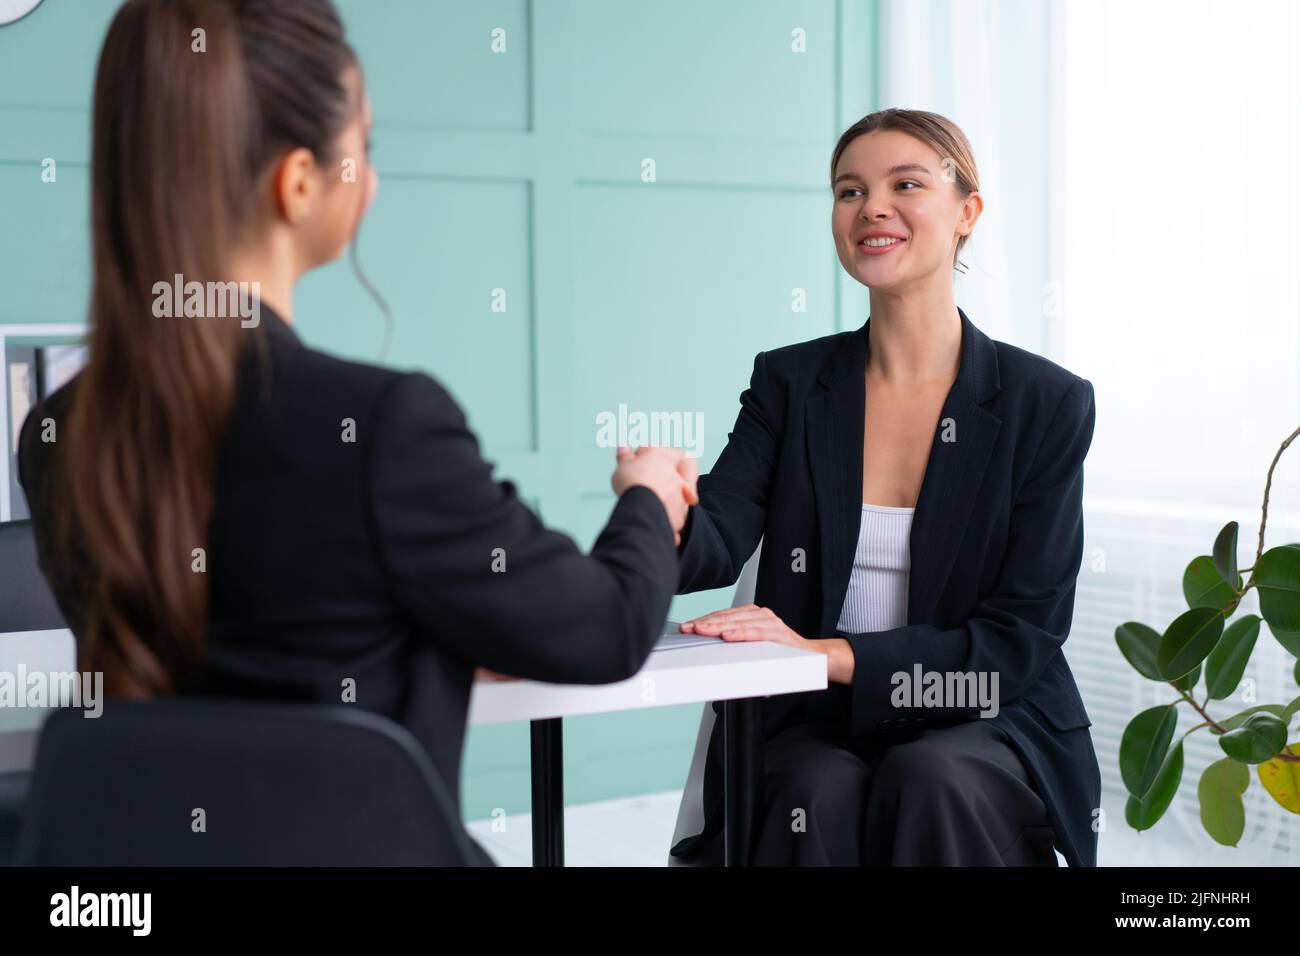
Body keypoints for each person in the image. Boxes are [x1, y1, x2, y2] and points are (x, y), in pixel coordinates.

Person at [16, 0, 696, 866]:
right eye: (362, 148)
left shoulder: (57, 434)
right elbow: (603, 628)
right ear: (298, 183)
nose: (370, 180)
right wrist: (645, 496)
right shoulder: (382, 429)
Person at [658, 108, 1101, 866]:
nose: (873, 209)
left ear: (968, 211)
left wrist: (828, 652)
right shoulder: (791, 382)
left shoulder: (1045, 402)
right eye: (849, 191)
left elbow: (1020, 633)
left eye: (906, 184)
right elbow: (719, 533)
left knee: (930, 774)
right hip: (818, 717)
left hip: (981, 709)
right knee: (812, 790)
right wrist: (661, 513)